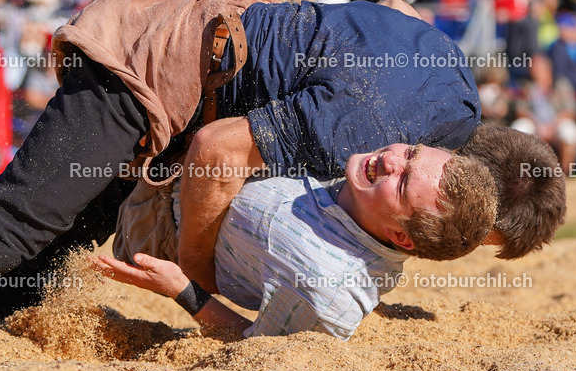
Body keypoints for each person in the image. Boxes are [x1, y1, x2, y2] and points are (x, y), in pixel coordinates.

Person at [0, 0, 561, 343]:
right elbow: (217, 149)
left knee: (88, 210)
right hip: (153, 61)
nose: (460, 239)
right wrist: (195, 274)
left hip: (210, 39)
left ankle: (1, 303)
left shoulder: (451, 82)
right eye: (474, 231)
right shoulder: (372, 125)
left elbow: (392, 7)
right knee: (3, 226)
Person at [100, 143, 498, 339]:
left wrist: (182, 291)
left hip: (148, 215)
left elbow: (254, 348)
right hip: (174, 145)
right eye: (411, 152)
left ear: (400, 236)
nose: (391, 160)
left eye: (403, 182)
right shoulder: (360, 175)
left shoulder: (330, 289)